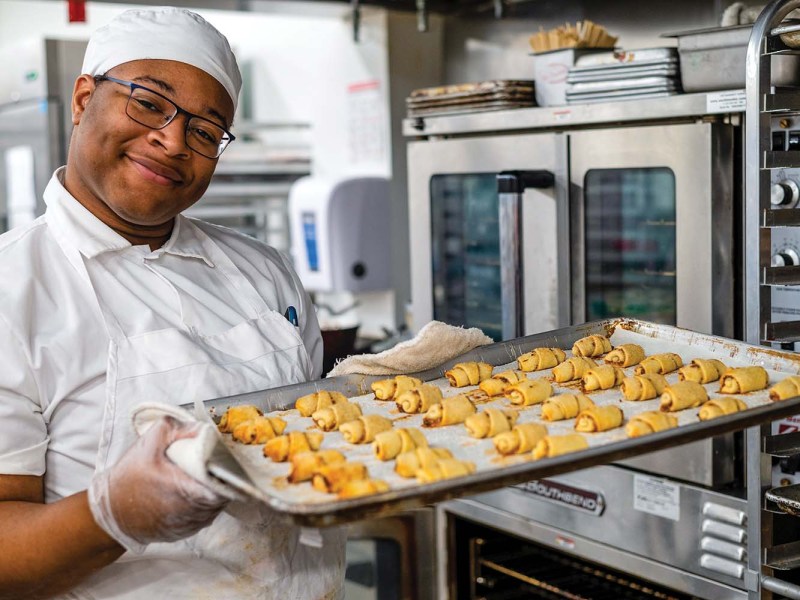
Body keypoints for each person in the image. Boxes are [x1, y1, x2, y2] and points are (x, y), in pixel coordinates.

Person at [0, 7, 344, 599]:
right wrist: (114, 515)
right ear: (84, 99)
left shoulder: (266, 273)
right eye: (149, 103)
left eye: (207, 131)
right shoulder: (14, 291)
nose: (173, 140)